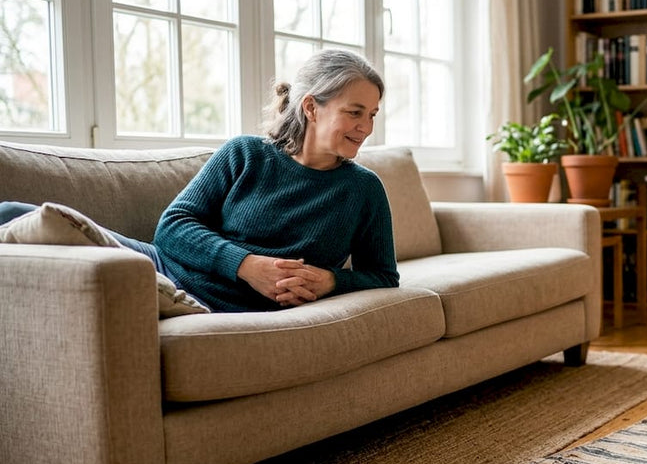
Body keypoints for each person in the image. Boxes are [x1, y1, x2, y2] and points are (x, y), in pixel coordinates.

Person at [1, 49, 399, 312]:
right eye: (355, 112)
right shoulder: (245, 154)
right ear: (311, 107)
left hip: (201, 302)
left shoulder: (363, 189)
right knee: (14, 213)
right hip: (159, 268)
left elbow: (383, 276)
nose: (366, 128)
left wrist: (331, 281)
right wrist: (245, 265)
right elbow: (171, 228)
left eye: (373, 115)